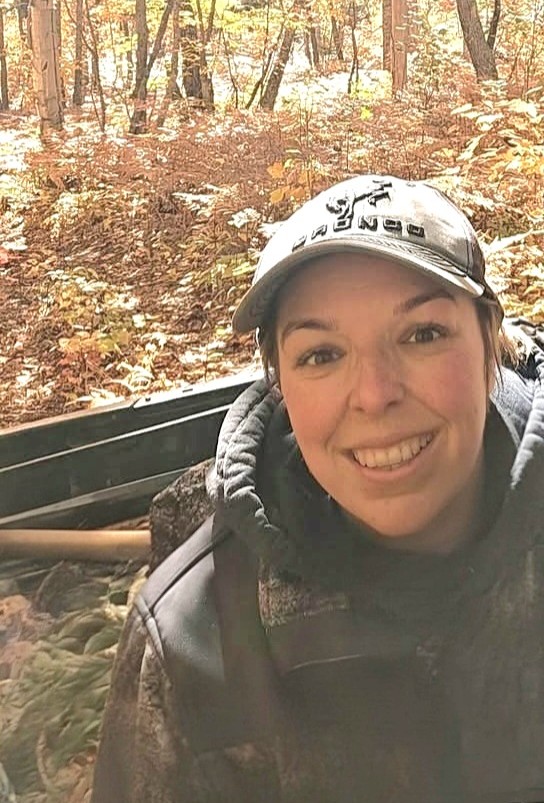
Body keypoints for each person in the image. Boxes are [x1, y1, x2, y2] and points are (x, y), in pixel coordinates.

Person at [91, 174, 544, 803]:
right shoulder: (192, 644)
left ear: (492, 339)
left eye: (423, 334)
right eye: (322, 355)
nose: (375, 395)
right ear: (279, 382)